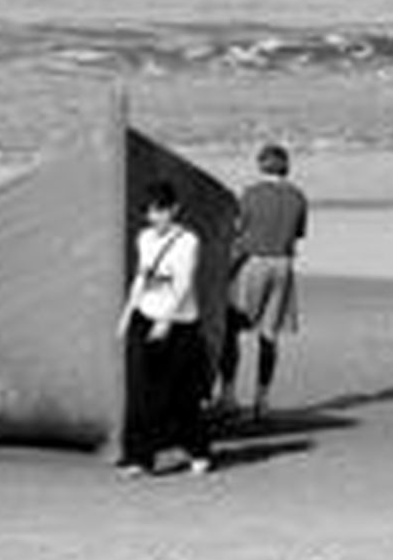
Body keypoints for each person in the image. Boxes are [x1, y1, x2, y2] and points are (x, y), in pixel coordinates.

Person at [115, 180, 213, 477]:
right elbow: (141, 277)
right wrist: (126, 313)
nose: (153, 218)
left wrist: (166, 320)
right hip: (144, 317)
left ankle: (198, 450)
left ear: (174, 209)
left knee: (181, 393)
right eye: (149, 212)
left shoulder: (188, 241)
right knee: (138, 391)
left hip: (180, 324)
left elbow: (183, 284)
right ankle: (138, 458)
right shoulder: (144, 237)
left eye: (159, 212)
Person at [215, 142, 309, 420]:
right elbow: (299, 233)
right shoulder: (298, 197)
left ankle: (229, 395)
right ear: (287, 167)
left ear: (260, 165)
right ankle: (262, 400)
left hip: (253, 262)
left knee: (231, 328)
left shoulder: (250, 195)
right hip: (283, 265)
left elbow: (239, 231)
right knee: (269, 335)